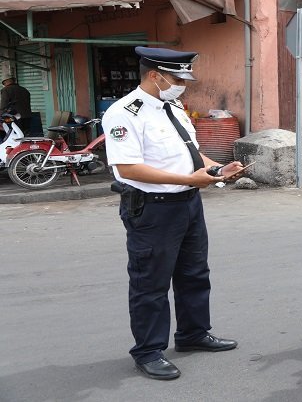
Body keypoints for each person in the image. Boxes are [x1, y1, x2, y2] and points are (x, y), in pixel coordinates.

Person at [102, 47, 246, 380]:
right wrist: (188, 179)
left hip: (189, 203)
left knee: (194, 273)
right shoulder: (125, 113)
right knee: (150, 283)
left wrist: (217, 169)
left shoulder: (174, 106)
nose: (183, 84)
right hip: (153, 209)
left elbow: (190, 152)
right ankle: (148, 351)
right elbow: (127, 167)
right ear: (155, 76)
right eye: (178, 78)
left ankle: (193, 334)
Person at [0, 72, 32, 136]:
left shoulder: (6, 90)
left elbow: (3, 105)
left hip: (14, 118)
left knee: (13, 136)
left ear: (5, 82)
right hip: (27, 117)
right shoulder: (24, 89)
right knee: (24, 135)